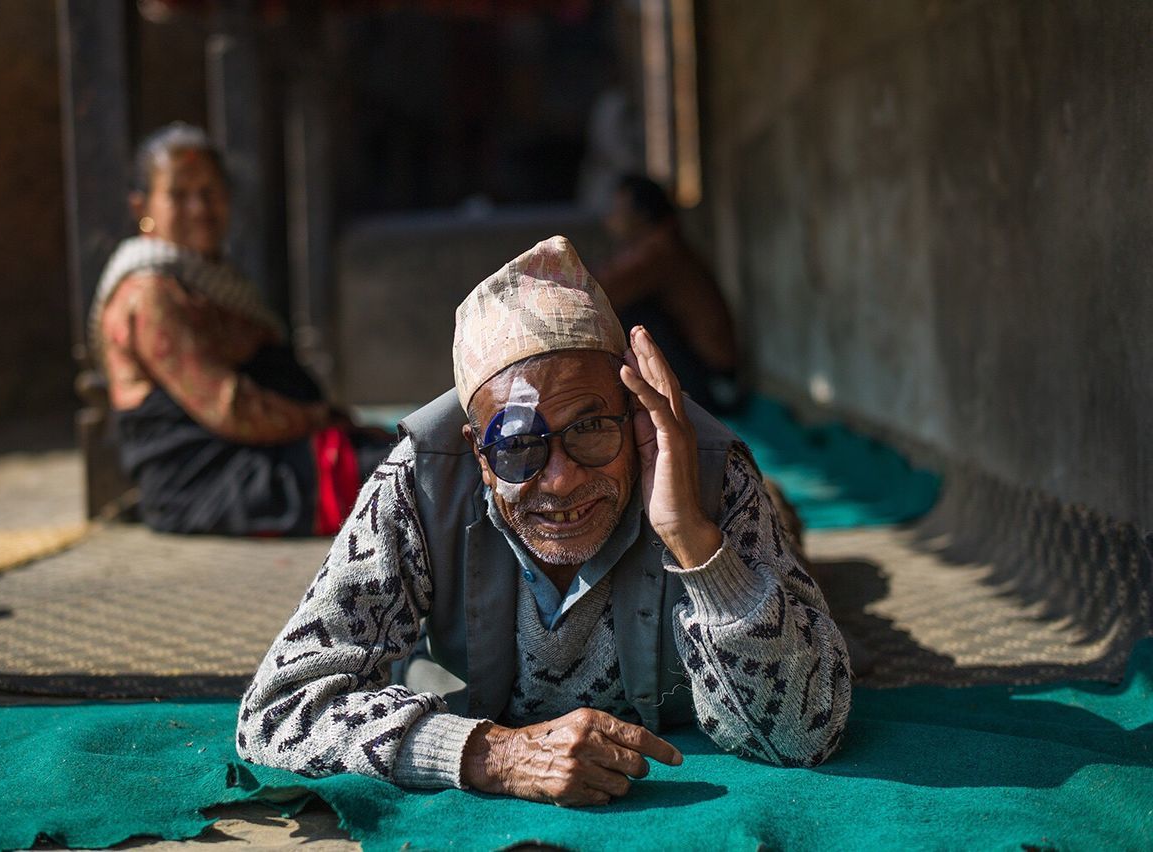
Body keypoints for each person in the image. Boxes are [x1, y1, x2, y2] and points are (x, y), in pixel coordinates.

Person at [237, 236, 851, 806]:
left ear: (636, 415)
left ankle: (782, 513)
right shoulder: (419, 481)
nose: (560, 480)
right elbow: (277, 711)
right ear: (478, 453)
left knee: (794, 549)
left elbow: (804, 732)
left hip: (730, 510)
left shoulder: (705, 468)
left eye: (589, 428)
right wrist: (491, 754)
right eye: (516, 445)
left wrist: (693, 537)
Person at [90, 123, 385, 537]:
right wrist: (322, 419)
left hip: (257, 451)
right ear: (143, 208)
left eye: (210, 192)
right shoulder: (149, 293)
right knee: (393, 476)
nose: (199, 208)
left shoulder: (210, 279)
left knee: (402, 457)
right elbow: (230, 408)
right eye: (179, 195)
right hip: (210, 479)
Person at [598, 174, 745, 414]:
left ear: (641, 215)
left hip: (712, 381)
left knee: (626, 317)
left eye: (617, 211)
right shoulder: (659, 246)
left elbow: (602, 292)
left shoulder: (661, 251)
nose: (610, 220)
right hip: (706, 373)